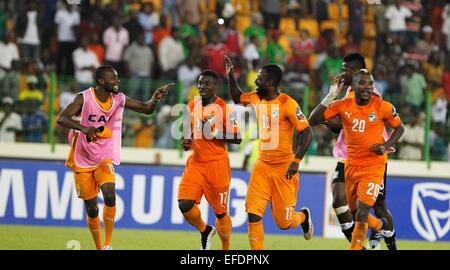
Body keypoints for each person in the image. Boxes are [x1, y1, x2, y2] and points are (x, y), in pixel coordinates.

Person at [57, 65, 174, 250]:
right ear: (101, 82)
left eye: (117, 77)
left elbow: (146, 109)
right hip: (82, 157)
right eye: (113, 78)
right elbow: (62, 118)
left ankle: (108, 244)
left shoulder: (118, 98)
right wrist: (85, 128)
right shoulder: (84, 98)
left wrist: (155, 98)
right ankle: (98, 247)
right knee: (92, 208)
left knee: (110, 195)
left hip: (105, 155)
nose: (117, 81)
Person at [309, 69, 405, 250]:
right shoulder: (343, 105)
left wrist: (385, 145)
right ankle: (377, 226)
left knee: (363, 211)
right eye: (362, 83)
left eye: (370, 84)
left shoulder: (382, 106)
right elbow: (312, 120)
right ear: (353, 86)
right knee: (353, 212)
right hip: (351, 167)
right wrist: (331, 95)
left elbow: (400, 128)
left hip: (374, 167)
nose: (367, 87)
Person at [225, 56, 314, 250]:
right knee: (253, 212)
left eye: (260, 78)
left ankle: (303, 217)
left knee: (284, 223)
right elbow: (236, 96)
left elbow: (307, 132)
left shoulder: (287, 103)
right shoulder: (256, 97)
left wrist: (296, 161)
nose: (255, 81)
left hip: (284, 169)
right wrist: (231, 75)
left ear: (271, 83)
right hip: (262, 166)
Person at [178, 70, 241, 250]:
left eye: (207, 83)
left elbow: (237, 138)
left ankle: (225, 248)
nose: (202, 87)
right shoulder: (192, 105)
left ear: (216, 86)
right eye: (200, 83)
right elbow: (189, 131)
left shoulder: (223, 108)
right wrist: (186, 140)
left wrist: (213, 132)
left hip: (217, 165)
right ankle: (205, 230)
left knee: (220, 213)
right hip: (196, 162)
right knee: (185, 204)